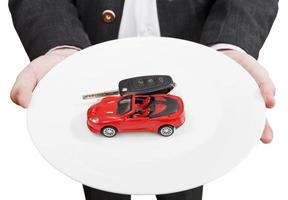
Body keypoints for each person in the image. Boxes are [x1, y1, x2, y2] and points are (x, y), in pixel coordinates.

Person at [8, 0, 278, 199]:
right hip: (88, 62)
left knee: (185, 177)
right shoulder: (119, 114)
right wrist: (60, 43)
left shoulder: (161, 117)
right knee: (101, 181)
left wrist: (228, 46)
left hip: (198, 77)